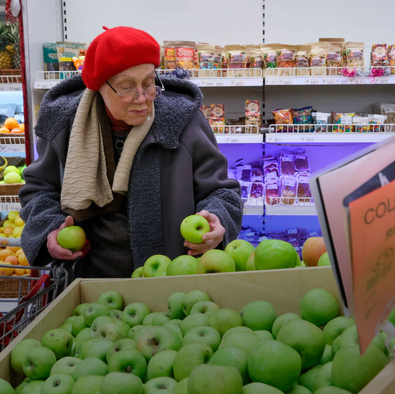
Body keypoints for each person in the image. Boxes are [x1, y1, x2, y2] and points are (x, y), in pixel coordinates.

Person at [19, 26, 243, 278]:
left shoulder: (183, 121)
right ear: (98, 87)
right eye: (126, 87)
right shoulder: (64, 124)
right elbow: (39, 191)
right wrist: (49, 229)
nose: (142, 98)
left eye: (149, 83)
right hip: (86, 281)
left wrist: (217, 219)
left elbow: (221, 190)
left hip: (171, 276)